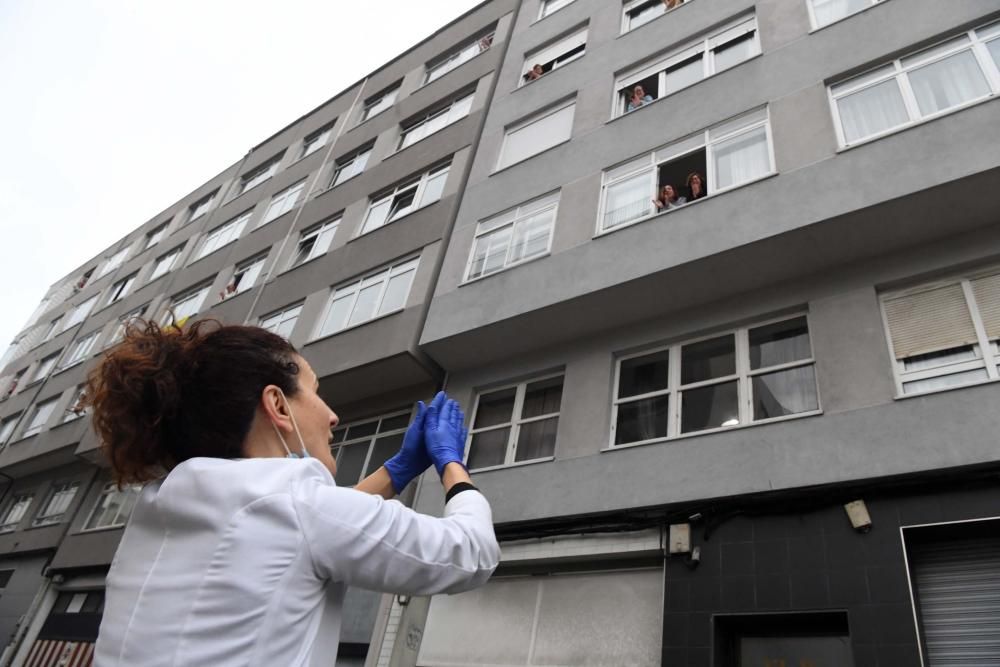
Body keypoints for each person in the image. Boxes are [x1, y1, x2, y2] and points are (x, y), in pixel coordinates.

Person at [90, 320, 499, 666]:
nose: (332, 414)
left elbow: (305, 529)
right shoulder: (295, 507)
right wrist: (451, 463)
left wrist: (398, 470)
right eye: (315, 391)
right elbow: (471, 552)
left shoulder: (166, 504)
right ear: (278, 406)